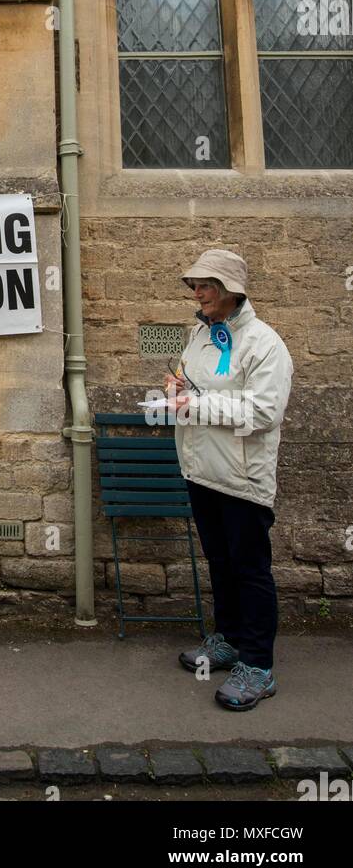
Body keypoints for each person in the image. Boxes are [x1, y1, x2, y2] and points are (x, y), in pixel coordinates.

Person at [165, 249, 293, 711]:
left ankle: (258, 666)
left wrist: (192, 406)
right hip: (202, 471)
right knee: (219, 562)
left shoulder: (264, 344)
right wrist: (178, 389)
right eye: (195, 285)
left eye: (207, 285)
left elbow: (263, 414)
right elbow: (190, 385)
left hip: (242, 480)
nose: (197, 293)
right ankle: (229, 641)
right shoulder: (200, 336)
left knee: (250, 571)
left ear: (232, 291)